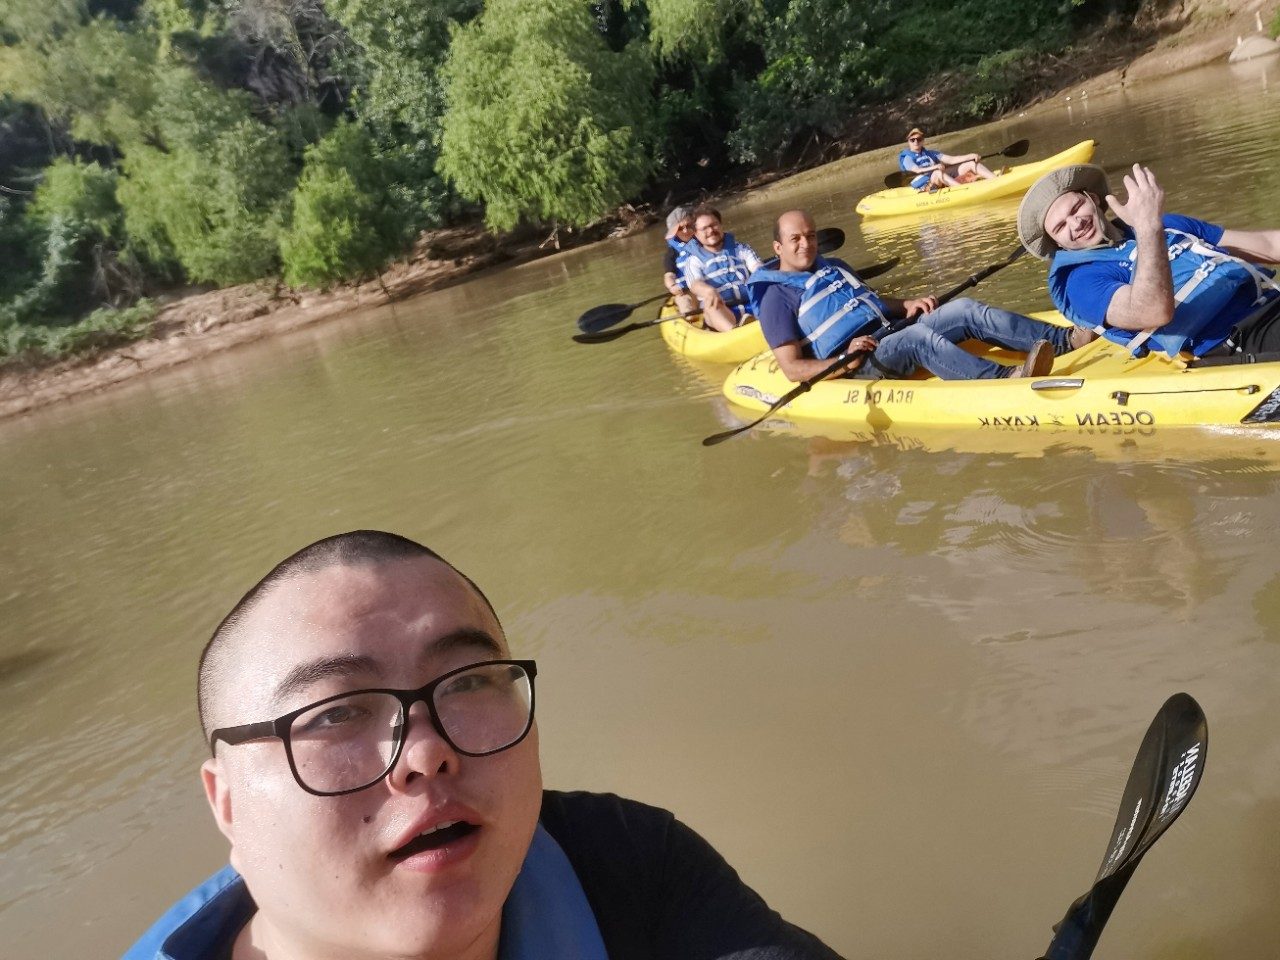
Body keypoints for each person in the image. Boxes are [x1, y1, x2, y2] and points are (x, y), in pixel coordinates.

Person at [125, 530, 843, 960]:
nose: (426, 752)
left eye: (467, 683)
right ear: (226, 805)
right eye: (336, 713)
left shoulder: (621, 864)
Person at [749, 209, 1069, 383]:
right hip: (857, 360)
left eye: (810, 236)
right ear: (778, 248)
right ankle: (1006, 380)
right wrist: (843, 362)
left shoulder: (832, 267)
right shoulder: (775, 299)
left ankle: (1064, 340)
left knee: (965, 308)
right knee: (918, 337)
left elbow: (868, 302)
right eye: (795, 239)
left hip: (889, 331)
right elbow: (792, 370)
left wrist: (906, 305)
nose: (806, 244)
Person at [1017, 162, 1280, 360]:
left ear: (1093, 199)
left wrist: (1150, 225)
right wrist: (1147, 228)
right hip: (1236, 339)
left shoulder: (1170, 225)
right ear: (1058, 244)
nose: (1076, 223)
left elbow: (1266, 246)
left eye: (1076, 208)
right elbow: (1153, 311)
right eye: (1061, 227)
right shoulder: (1080, 281)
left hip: (1269, 305)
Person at [681, 204, 764, 332]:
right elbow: (695, 285)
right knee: (711, 305)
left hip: (751, 302)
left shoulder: (741, 248)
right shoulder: (693, 261)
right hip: (720, 309)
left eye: (714, 225)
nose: (710, 231)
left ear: (721, 225)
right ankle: (735, 332)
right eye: (704, 228)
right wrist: (709, 291)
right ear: (696, 234)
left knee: (769, 290)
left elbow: (758, 268)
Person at [898, 127, 998, 191]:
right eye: (912, 140)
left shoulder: (931, 153)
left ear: (923, 141)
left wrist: (971, 156)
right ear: (909, 142)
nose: (916, 142)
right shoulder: (907, 158)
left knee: (970, 164)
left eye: (919, 139)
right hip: (924, 185)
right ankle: (963, 190)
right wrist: (935, 167)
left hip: (938, 178)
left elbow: (952, 160)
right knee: (938, 172)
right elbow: (917, 170)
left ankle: (996, 180)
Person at [662, 206, 699, 316]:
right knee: (687, 307)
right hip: (686, 291)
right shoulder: (671, 253)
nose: (686, 231)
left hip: (708, 285)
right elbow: (669, 276)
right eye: (680, 228)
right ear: (674, 232)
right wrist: (672, 286)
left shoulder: (704, 241)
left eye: (688, 226)